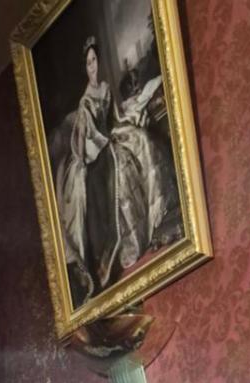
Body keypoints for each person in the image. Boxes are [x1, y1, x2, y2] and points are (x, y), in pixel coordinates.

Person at [54, 36, 178, 305]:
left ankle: (160, 214)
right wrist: (104, 142)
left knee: (140, 139)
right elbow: (88, 136)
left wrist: (127, 123)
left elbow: (115, 119)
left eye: (95, 61)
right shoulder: (85, 102)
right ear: (85, 67)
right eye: (88, 63)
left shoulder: (105, 89)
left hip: (110, 135)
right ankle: (124, 246)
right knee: (116, 169)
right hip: (95, 149)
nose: (93, 67)